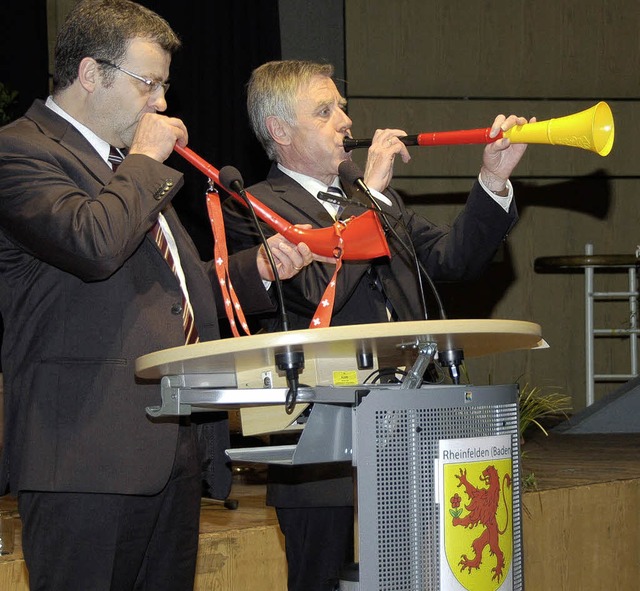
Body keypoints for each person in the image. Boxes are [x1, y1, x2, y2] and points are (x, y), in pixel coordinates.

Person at [0, 4, 317, 590]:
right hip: (85, 459)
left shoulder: (126, 169)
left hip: (172, 450)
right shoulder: (21, 151)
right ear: (92, 73)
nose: (162, 103)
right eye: (149, 84)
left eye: (165, 86)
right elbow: (93, 243)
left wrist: (259, 269)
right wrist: (145, 161)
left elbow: (179, 290)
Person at [222, 59, 533, 591]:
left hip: (412, 423)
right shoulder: (252, 205)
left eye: (341, 106)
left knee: (424, 576)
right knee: (320, 577)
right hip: (320, 437)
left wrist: (493, 179)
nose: (345, 120)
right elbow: (313, 294)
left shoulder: (371, 198)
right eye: (325, 111)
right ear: (279, 130)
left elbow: (454, 261)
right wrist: (369, 199)